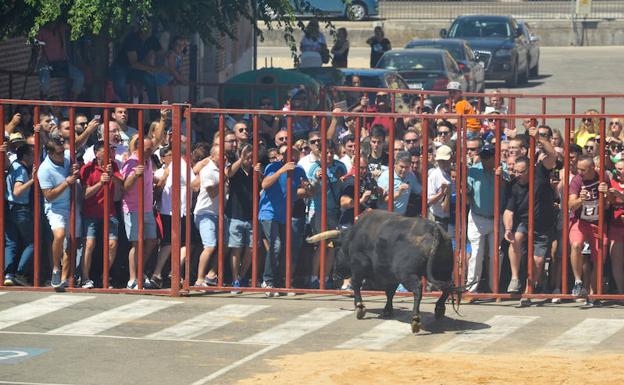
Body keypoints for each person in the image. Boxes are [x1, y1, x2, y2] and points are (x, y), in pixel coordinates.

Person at [503, 126, 558, 298]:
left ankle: (532, 284)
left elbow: (553, 156)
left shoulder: (540, 172)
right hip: (525, 222)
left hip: (543, 224)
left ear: (529, 170)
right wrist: (507, 229)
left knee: (539, 261)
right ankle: (514, 278)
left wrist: (540, 139)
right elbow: (508, 211)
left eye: (520, 172)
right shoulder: (514, 185)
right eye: (515, 171)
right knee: (515, 239)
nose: (517, 175)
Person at [258, 146, 309, 296]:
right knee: (276, 245)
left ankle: (280, 283)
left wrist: (309, 186)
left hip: (285, 214)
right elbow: (265, 184)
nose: (292, 159)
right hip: (269, 212)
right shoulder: (272, 166)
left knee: (285, 249)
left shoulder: (299, 170)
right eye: (288, 155)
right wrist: (282, 170)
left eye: (295, 156)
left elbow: (309, 192)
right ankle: (267, 281)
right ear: (282, 156)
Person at [37, 138, 81, 290]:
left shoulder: (68, 156)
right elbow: (48, 195)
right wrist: (67, 182)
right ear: (49, 153)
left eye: (63, 151)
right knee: (60, 235)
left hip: (72, 204)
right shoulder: (44, 170)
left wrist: (88, 131)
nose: (63, 155)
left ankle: (63, 279)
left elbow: (77, 144)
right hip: (55, 207)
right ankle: (56, 268)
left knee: (71, 243)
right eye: (59, 153)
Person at [79, 141, 124, 289]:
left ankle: (104, 277)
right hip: (91, 213)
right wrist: (100, 183)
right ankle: (85, 278)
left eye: (112, 150)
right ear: (97, 153)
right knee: (89, 244)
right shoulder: (87, 169)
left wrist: (112, 176)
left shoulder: (114, 166)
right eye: (107, 150)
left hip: (109, 212)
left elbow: (120, 190)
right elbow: (84, 194)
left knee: (112, 244)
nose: (111, 153)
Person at [150, 145, 195, 289]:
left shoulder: (181, 165)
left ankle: (169, 273)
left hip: (179, 210)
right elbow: (195, 185)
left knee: (181, 243)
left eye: (170, 154)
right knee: (172, 243)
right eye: (166, 155)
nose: (168, 157)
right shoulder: (174, 167)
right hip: (171, 211)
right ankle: (160, 273)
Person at [568, 155, 610, 301]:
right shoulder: (576, 180)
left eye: (583, 170)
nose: (579, 172)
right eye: (578, 169)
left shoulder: (603, 176)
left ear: (593, 168)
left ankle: (593, 291)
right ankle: (578, 283)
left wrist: (607, 192)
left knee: (599, 256)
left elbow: (610, 202)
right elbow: (571, 205)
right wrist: (581, 199)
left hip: (597, 223)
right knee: (575, 245)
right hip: (580, 221)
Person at [465, 144, 505, 294]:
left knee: (495, 253)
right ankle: (471, 289)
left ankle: (495, 288)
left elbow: (507, 188)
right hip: (477, 216)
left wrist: (500, 177)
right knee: (476, 253)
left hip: (496, 217)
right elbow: (467, 191)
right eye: (483, 156)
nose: (484, 159)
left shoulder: (503, 169)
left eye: (488, 156)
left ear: (495, 157)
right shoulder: (474, 170)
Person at [307, 140, 347, 288]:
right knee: (321, 244)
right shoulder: (314, 168)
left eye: (331, 152)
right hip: (320, 212)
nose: (329, 155)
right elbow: (309, 191)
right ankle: (313, 278)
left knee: (331, 245)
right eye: (326, 152)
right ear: (320, 153)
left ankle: (324, 278)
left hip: (335, 212)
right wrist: (316, 180)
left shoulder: (340, 167)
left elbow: (346, 185)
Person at [122, 137, 158, 289]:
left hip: (147, 208)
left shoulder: (148, 160)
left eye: (151, 149)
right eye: (147, 149)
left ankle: (139, 271)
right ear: (137, 148)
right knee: (136, 244)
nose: (150, 151)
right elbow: (125, 187)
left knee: (151, 240)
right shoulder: (131, 162)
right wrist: (135, 175)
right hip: (133, 208)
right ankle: (132, 279)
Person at [225, 145, 260, 293]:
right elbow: (228, 173)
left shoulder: (255, 171)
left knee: (251, 249)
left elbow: (263, 185)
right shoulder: (236, 168)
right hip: (235, 215)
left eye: (251, 156)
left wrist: (260, 174)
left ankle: (243, 275)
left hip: (252, 216)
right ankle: (235, 280)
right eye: (247, 156)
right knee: (236, 249)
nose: (249, 159)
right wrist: (241, 158)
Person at [4, 144, 35, 286]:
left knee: (11, 243)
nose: (34, 157)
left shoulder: (13, 166)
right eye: (32, 154)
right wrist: (32, 180)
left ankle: (8, 274)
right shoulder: (21, 170)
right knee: (32, 242)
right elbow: (17, 191)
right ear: (25, 156)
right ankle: (20, 273)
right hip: (20, 209)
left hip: (9, 209)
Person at [193, 146, 224, 287]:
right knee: (210, 246)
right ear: (212, 157)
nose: (223, 157)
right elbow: (211, 192)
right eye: (220, 155)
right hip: (205, 213)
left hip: (217, 213)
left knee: (222, 246)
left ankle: (210, 276)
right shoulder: (208, 170)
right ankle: (199, 280)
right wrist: (223, 179)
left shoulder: (221, 170)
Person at [110, 25, 162, 104]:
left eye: (150, 28)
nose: (149, 30)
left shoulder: (152, 39)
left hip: (136, 68)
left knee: (150, 79)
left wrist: (160, 67)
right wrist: (151, 68)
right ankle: (125, 106)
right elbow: (133, 63)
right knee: (120, 84)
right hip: (121, 67)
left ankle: (154, 110)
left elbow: (162, 54)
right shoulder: (131, 39)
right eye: (147, 27)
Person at [378, 151, 421, 215]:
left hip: (401, 217)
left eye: (407, 167)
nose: (404, 170)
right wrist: (398, 193)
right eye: (401, 167)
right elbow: (382, 200)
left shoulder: (410, 176)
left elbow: (420, 191)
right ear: (395, 164)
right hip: (385, 217)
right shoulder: (385, 177)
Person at [427, 145, 454, 230]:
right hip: (437, 219)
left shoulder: (456, 172)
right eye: (440, 161)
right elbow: (429, 202)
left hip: (454, 219)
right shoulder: (434, 175)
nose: (442, 163)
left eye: (445, 160)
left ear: (451, 159)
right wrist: (442, 193)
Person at [607, 159, 624, 293]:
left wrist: (621, 195)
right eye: (617, 168)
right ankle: (621, 292)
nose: (619, 171)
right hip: (616, 227)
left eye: (622, 168)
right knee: (616, 262)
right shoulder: (611, 184)